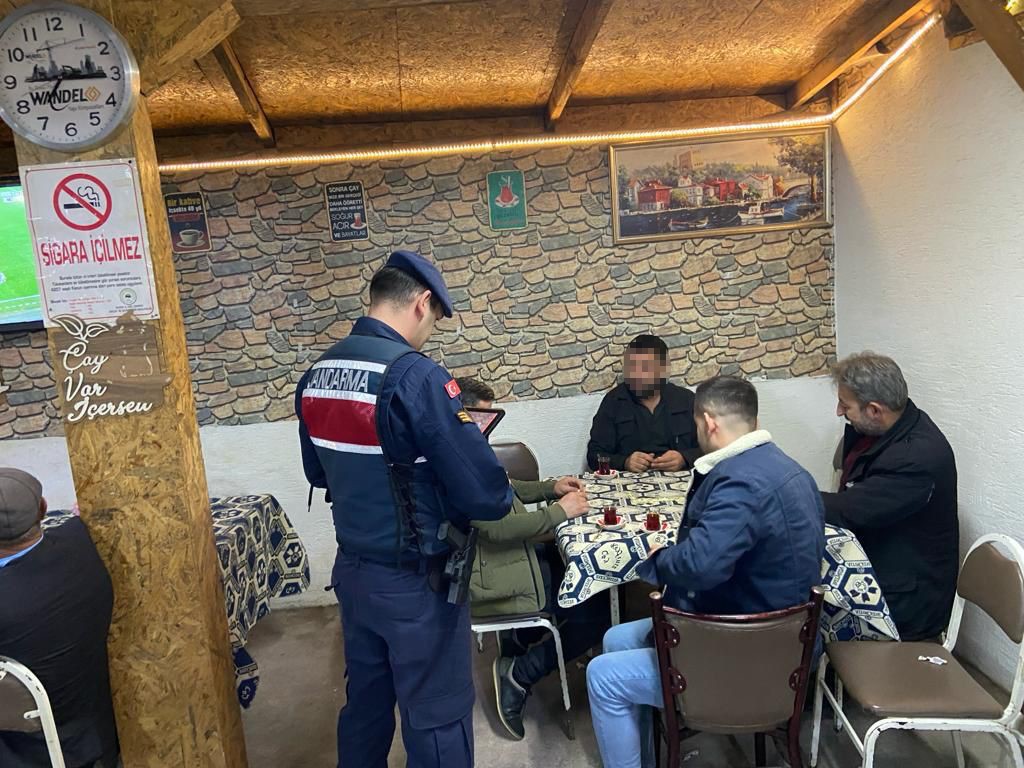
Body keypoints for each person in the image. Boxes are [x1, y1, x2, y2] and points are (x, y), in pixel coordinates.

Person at [295, 252, 513, 768]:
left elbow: (318, 473)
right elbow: (488, 496)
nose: (429, 333)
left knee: (366, 706)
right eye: (434, 320)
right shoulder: (417, 377)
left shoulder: (317, 375)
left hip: (354, 574)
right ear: (421, 303)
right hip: (417, 585)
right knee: (437, 716)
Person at [585, 376, 825, 768]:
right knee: (616, 638)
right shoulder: (791, 469)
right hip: (783, 636)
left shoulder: (741, 482)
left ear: (709, 422)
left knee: (602, 676)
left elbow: (699, 566)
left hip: (751, 655)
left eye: (697, 424)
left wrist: (660, 559)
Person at [456, 377, 610, 740]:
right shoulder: (457, 465)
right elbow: (499, 529)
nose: (487, 427)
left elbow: (507, 487)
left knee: (579, 572)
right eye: (482, 419)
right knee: (595, 612)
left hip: (501, 561)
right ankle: (519, 674)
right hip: (491, 575)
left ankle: (520, 637)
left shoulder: (465, 451)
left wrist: (550, 488)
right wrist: (560, 511)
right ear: (462, 415)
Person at [822, 352, 958, 642]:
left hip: (907, 601)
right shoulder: (895, 426)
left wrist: (789, 494)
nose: (839, 412)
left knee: (798, 603)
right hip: (886, 558)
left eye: (845, 405)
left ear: (874, 410)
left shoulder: (916, 458)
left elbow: (850, 511)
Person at [0, 468, 118, 768]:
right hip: (95, 734)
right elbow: (79, 518)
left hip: (25, 751)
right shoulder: (80, 542)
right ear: (43, 508)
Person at [586, 334, 701, 473]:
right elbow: (594, 456)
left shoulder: (686, 400)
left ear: (664, 369)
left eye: (645, 367)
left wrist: (684, 458)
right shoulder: (614, 402)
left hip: (681, 480)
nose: (637, 374)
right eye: (632, 367)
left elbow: (715, 450)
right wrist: (625, 462)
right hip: (629, 482)